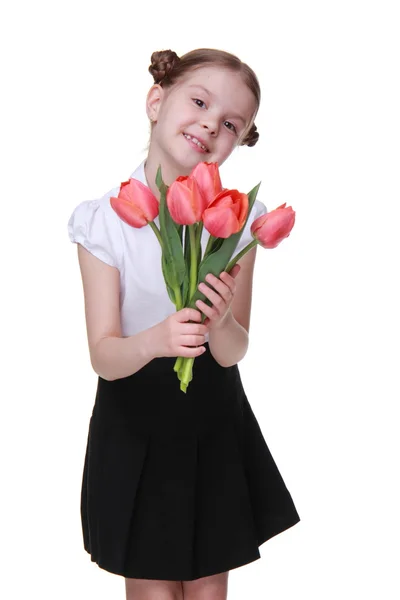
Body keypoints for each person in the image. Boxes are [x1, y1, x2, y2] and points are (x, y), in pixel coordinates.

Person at [68, 48, 300, 600]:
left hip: (212, 419)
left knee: (208, 585)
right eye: (199, 102)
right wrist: (157, 338)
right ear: (156, 102)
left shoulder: (239, 221)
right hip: (136, 421)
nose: (209, 124)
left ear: (237, 143)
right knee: (151, 586)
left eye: (230, 124)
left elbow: (234, 349)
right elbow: (103, 354)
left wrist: (218, 323)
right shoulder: (106, 220)